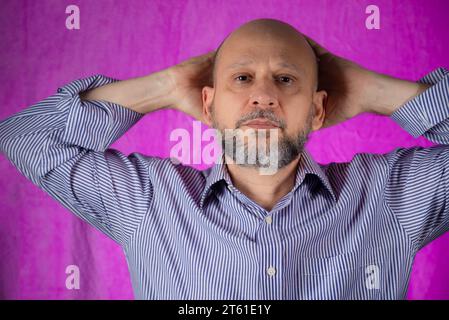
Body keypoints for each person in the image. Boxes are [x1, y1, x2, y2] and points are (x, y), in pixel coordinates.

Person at [0, 18, 448, 300]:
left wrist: (373, 90)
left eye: (287, 79)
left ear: (316, 109)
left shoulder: (390, 196)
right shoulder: (147, 201)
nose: (263, 96)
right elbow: (25, 137)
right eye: (242, 77)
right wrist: (169, 86)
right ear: (209, 106)